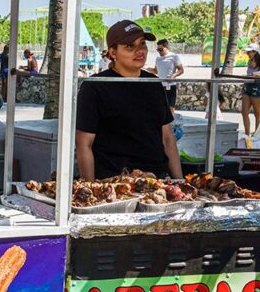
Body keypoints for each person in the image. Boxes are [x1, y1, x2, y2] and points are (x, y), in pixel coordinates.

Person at [76, 21, 182, 181]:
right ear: (113, 52)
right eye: (130, 46)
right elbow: (84, 144)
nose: (140, 51)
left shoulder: (153, 83)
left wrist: (179, 182)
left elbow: (167, 138)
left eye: (142, 44)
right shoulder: (95, 86)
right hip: (113, 183)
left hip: (157, 180)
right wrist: (91, 189)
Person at [241, 42, 260, 136]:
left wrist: (258, 75)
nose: (247, 54)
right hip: (248, 87)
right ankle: (247, 134)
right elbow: (248, 75)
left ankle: (257, 134)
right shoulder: (249, 61)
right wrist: (243, 87)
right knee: (244, 112)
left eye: (249, 52)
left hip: (257, 88)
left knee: (257, 113)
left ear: (255, 52)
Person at [151, 39, 184, 115]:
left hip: (170, 85)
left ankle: (171, 123)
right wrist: (145, 69)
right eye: (158, 50)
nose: (159, 51)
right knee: (160, 106)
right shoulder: (158, 59)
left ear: (166, 47)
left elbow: (181, 70)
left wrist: (173, 75)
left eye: (160, 49)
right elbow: (155, 71)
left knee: (170, 107)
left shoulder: (174, 56)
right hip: (160, 85)